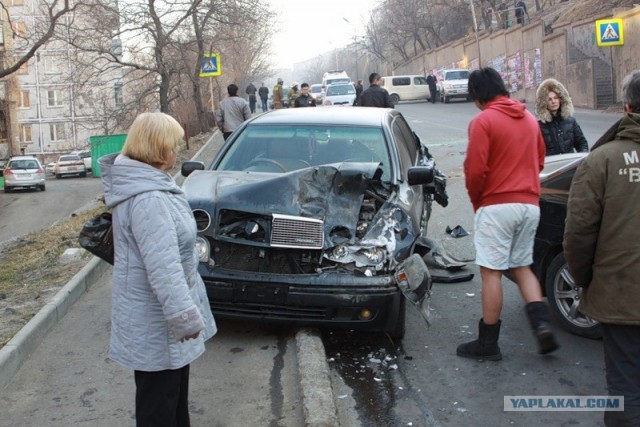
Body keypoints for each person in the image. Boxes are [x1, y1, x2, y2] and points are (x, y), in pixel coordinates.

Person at [99, 112, 217, 426]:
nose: (178, 150)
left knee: (172, 404)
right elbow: (163, 268)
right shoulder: (149, 198)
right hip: (159, 322)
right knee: (159, 410)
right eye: (174, 144)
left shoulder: (151, 187)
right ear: (158, 148)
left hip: (160, 320)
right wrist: (185, 317)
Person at [457, 67, 559, 361]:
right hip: (529, 204)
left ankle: (488, 343)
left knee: (491, 272)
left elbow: (475, 171)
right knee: (522, 266)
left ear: (477, 95)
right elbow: (540, 161)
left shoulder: (483, 121)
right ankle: (542, 328)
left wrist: (480, 203)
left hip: (497, 205)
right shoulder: (528, 118)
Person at [564, 70, 640, 427]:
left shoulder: (601, 161)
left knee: (626, 385)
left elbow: (579, 233)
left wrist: (585, 280)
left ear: (626, 107)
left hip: (623, 291)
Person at [535, 78, 589, 155]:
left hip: (569, 164)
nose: (553, 101)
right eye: (549, 99)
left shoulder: (571, 121)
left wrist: (581, 159)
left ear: (561, 99)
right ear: (544, 103)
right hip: (553, 165)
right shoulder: (539, 126)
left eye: (556, 98)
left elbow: (582, 143)